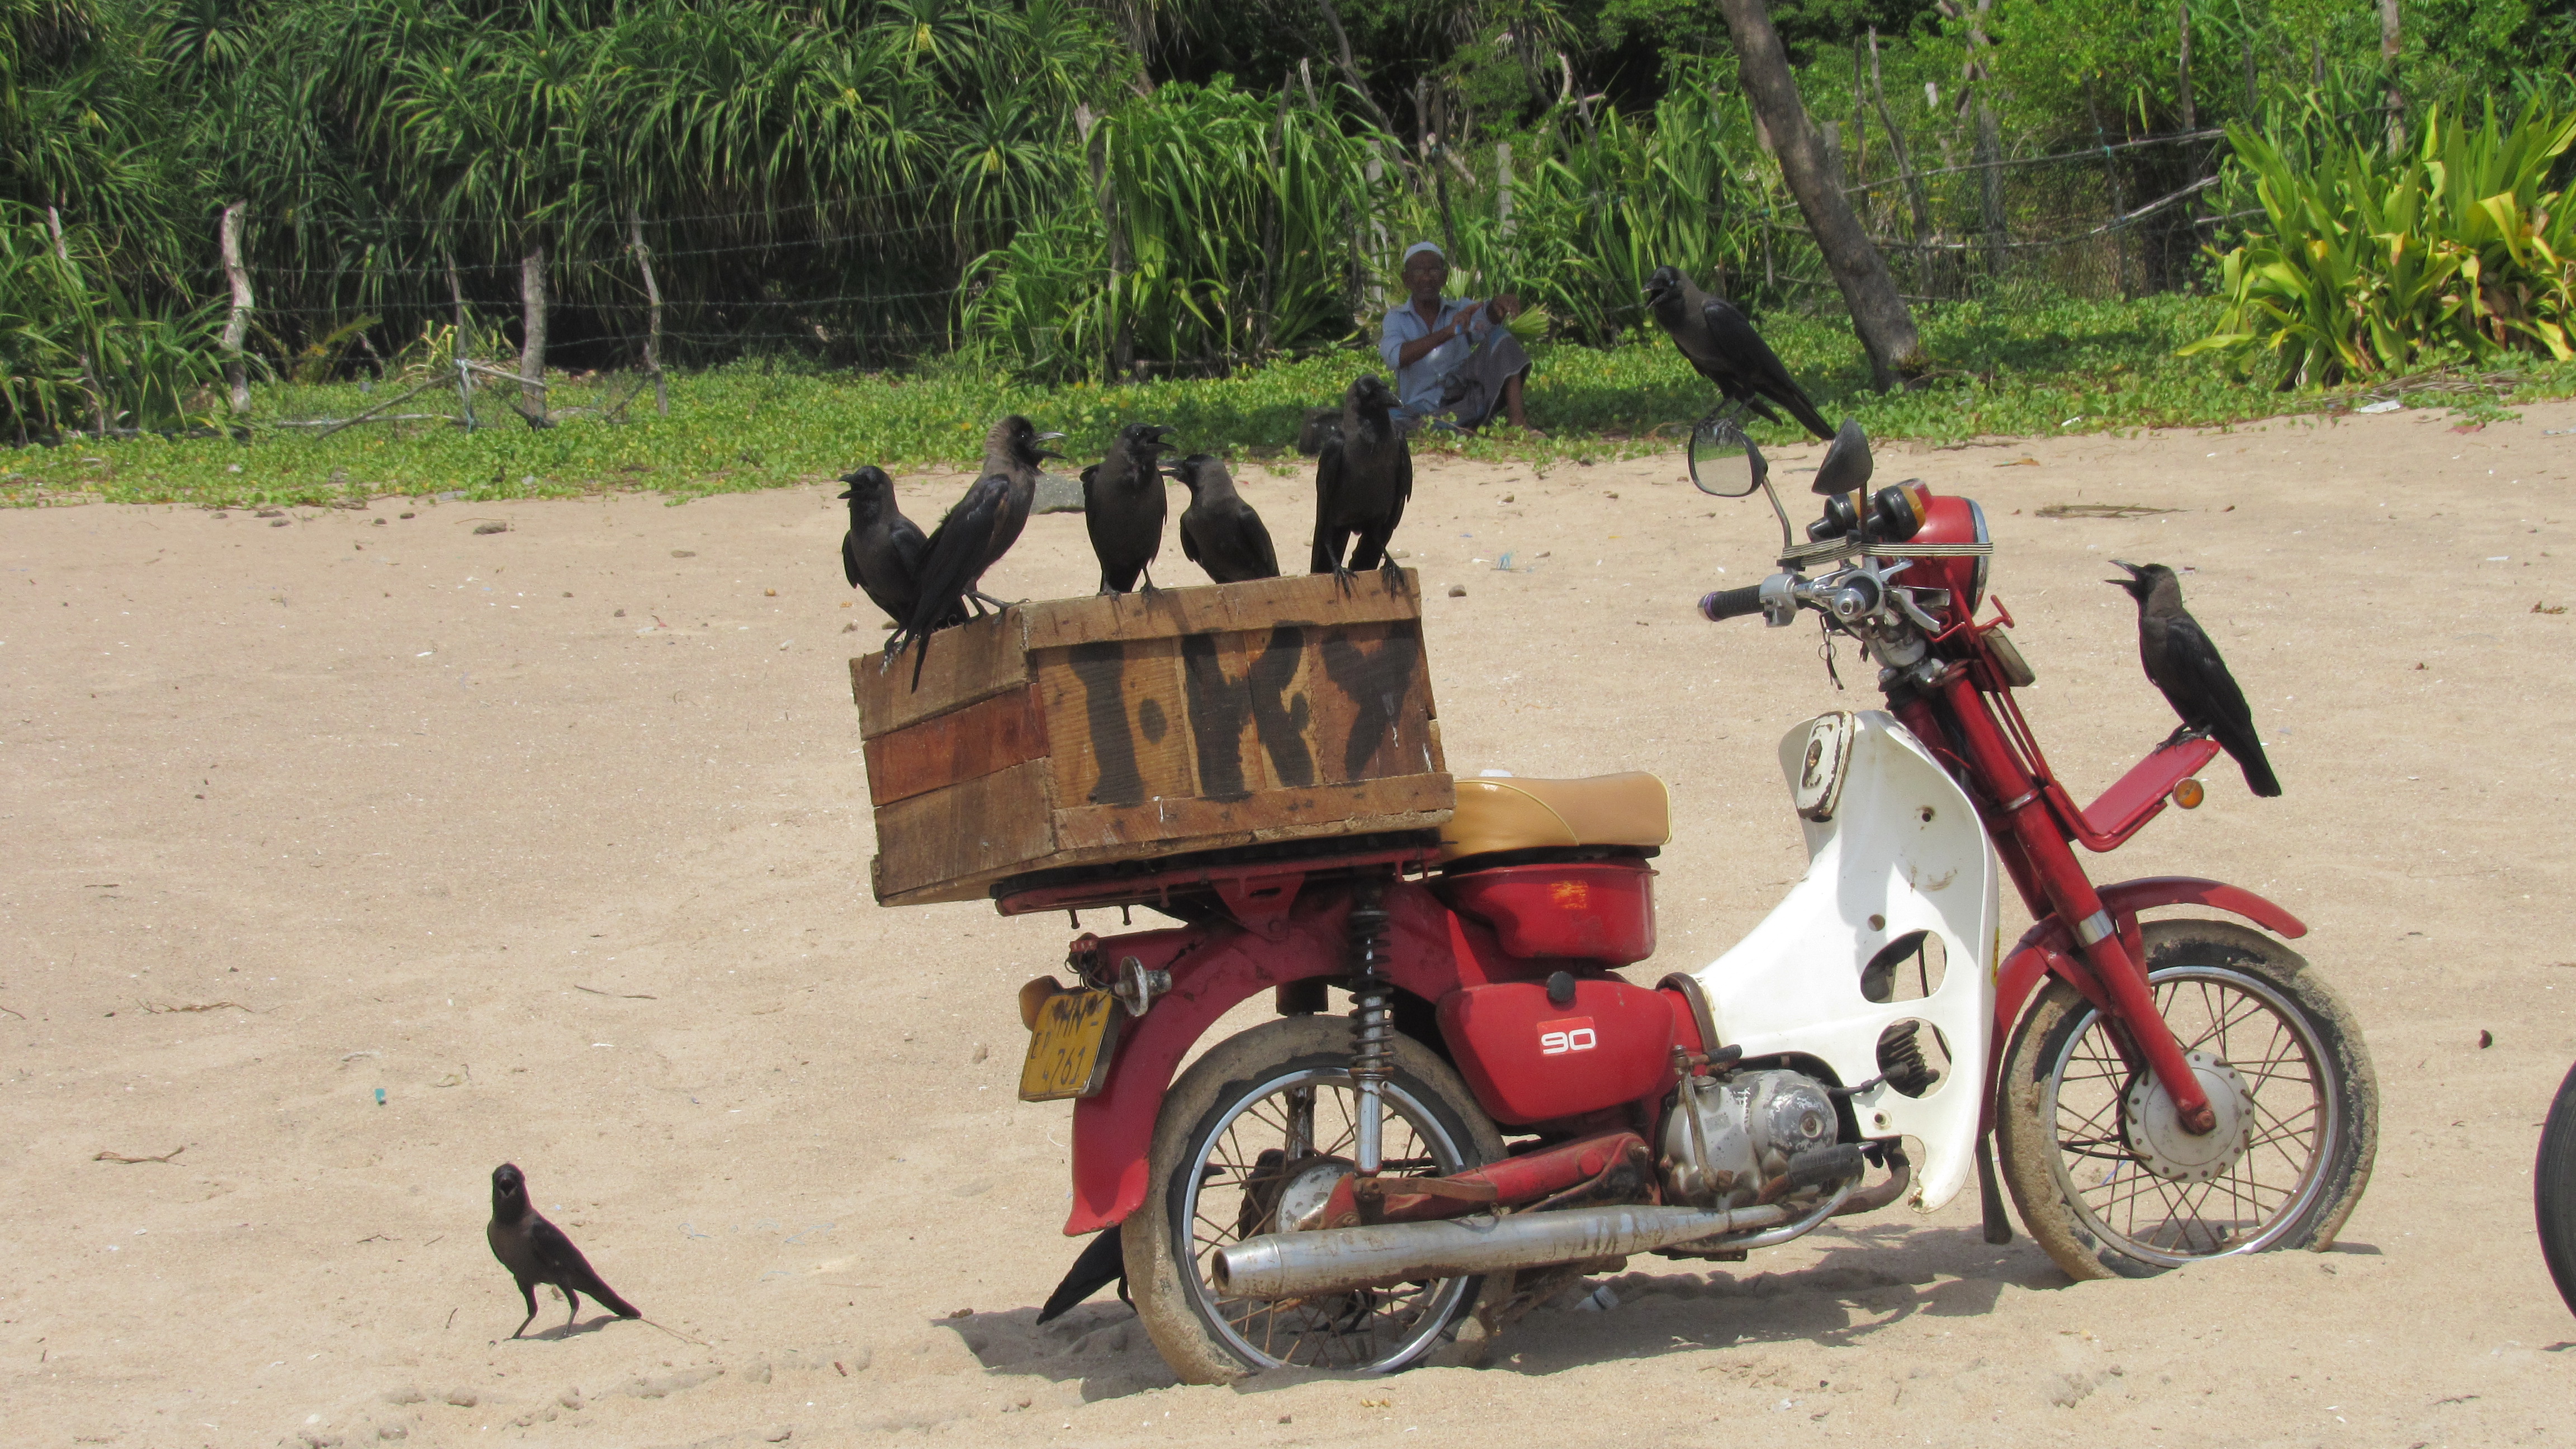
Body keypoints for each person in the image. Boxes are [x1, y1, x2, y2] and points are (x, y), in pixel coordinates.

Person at [1375, 242, 1542, 435]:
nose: (1427, 278)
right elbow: (1396, 357)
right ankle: (1457, 428)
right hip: (1422, 406)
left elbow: (1486, 318)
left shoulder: (1460, 308)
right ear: (1407, 279)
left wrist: (1496, 307)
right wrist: (1449, 331)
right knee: (1385, 422)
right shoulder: (1395, 318)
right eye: (1419, 272)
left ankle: (1518, 424)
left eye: (1434, 271)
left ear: (1445, 277)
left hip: (1466, 400)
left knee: (1501, 338)